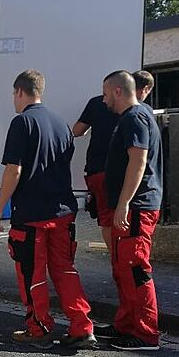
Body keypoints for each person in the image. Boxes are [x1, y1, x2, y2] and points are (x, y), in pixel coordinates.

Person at [0, 70, 95, 350]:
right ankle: (82, 326)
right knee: (65, 270)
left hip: (33, 215)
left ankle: (39, 327)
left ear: (20, 92)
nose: (13, 99)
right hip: (63, 212)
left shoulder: (22, 123)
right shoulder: (61, 124)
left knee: (31, 273)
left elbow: (14, 170)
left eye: (13, 94)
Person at [97, 71, 163, 351]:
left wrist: (124, 202)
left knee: (136, 269)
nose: (103, 99)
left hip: (137, 207)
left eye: (105, 93)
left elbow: (138, 160)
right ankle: (125, 325)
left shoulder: (135, 117)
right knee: (123, 268)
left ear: (118, 91)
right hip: (131, 206)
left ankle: (146, 335)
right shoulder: (133, 117)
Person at [73, 96, 120, 253]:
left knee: (106, 220)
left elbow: (77, 131)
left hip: (98, 169)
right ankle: (125, 262)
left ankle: (116, 260)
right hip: (124, 171)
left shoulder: (96, 103)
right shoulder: (135, 107)